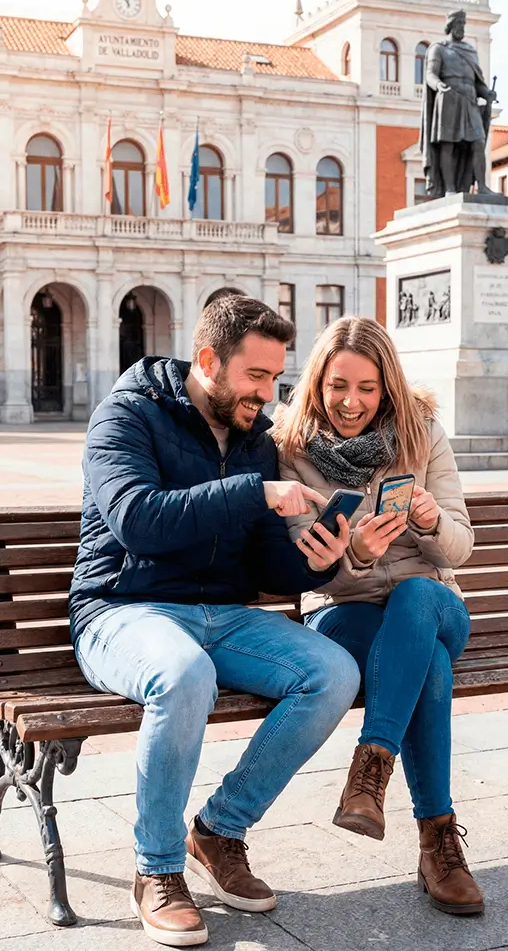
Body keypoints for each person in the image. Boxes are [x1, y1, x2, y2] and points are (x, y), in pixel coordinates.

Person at [69, 293, 361, 947]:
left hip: (220, 614)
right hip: (120, 610)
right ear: (208, 360)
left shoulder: (255, 440)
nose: (268, 392)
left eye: (275, 376)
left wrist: (318, 560)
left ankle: (220, 830)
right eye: (256, 376)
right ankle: (158, 868)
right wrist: (253, 492)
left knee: (332, 672)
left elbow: (264, 566)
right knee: (184, 675)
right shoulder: (127, 415)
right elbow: (137, 519)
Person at [274, 316, 484, 917]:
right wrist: (357, 558)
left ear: (387, 387)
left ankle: (372, 768)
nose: (351, 402)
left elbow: (461, 545)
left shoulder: (423, 435)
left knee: (417, 603)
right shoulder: (293, 451)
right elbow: (302, 566)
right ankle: (438, 842)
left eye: (367, 388)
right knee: (430, 667)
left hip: (434, 602)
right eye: (339, 386)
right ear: (318, 383)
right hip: (345, 610)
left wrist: (430, 522)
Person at [420, 9, 497, 197]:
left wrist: (487, 93)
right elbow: (431, 74)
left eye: (463, 24)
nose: (461, 28)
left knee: (478, 143)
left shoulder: (471, 51)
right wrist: (438, 85)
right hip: (448, 98)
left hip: (470, 101)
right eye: (458, 24)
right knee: (448, 145)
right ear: (450, 26)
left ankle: (482, 186)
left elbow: (478, 82)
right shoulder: (439, 49)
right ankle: (450, 190)